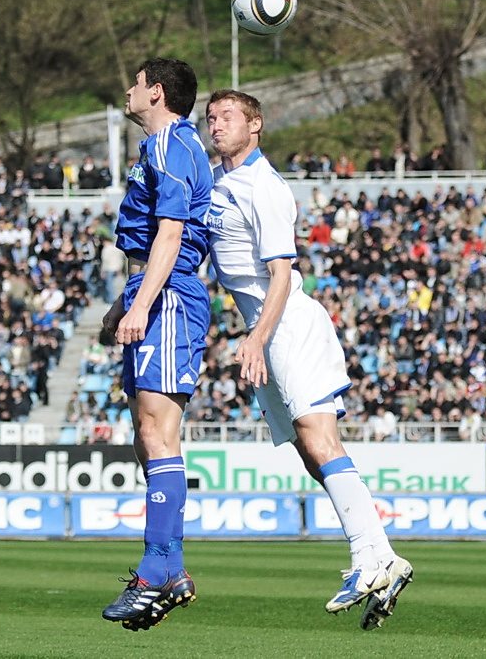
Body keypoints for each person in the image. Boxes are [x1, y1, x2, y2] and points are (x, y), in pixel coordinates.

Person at [205, 89, 413, 632]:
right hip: (265, 329)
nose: (216, 124)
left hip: (287, 324)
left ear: (255, 124)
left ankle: (369, 557)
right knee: (307, 451)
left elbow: (280, 273)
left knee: (319, 440)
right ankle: (382, 555)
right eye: (211, 117)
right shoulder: (218, 181)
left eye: (228, 116)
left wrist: (257, 338)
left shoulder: (265, 186)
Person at [100, 58, 213, 631]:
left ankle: (155, 572)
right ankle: (168, 566)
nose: (128, 90)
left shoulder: (171, 143)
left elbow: (171, 233)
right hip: (152, 289)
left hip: (166, 294)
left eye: (137, 82)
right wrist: (123, 304)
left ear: (157, 92)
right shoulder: (164, 146)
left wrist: (142, 303)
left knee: (156, 431)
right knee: (147, 438)